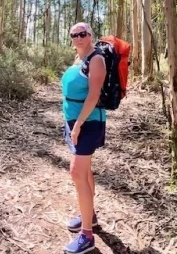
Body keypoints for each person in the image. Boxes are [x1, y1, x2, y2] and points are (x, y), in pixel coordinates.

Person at [61, 22, 106, 254]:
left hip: (88, 123)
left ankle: (87, 236)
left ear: (90, 35)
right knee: (85, 171)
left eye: (82, 34)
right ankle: (90, 216)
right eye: (74, 34)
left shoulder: (95, 59)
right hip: (74, 122)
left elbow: (93, 95)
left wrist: (78, 125)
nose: (78, 37)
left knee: (77, 171)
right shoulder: (79, 60)